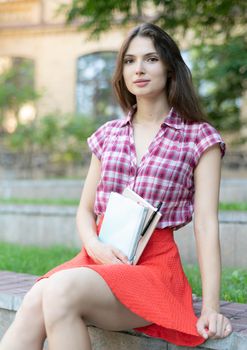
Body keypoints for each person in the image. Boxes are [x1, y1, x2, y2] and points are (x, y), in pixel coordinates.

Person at [0, 23, 232, 350]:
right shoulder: (108, 134)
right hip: (98, 256)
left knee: (59, 290)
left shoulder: (198, 137)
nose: (138, 68)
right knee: (35, 299)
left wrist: (211, 307)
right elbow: (84, 210)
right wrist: (94, 245)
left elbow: (207, 224)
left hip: (154, 269)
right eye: (129, 60)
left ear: (170, 67)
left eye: (150, 59)